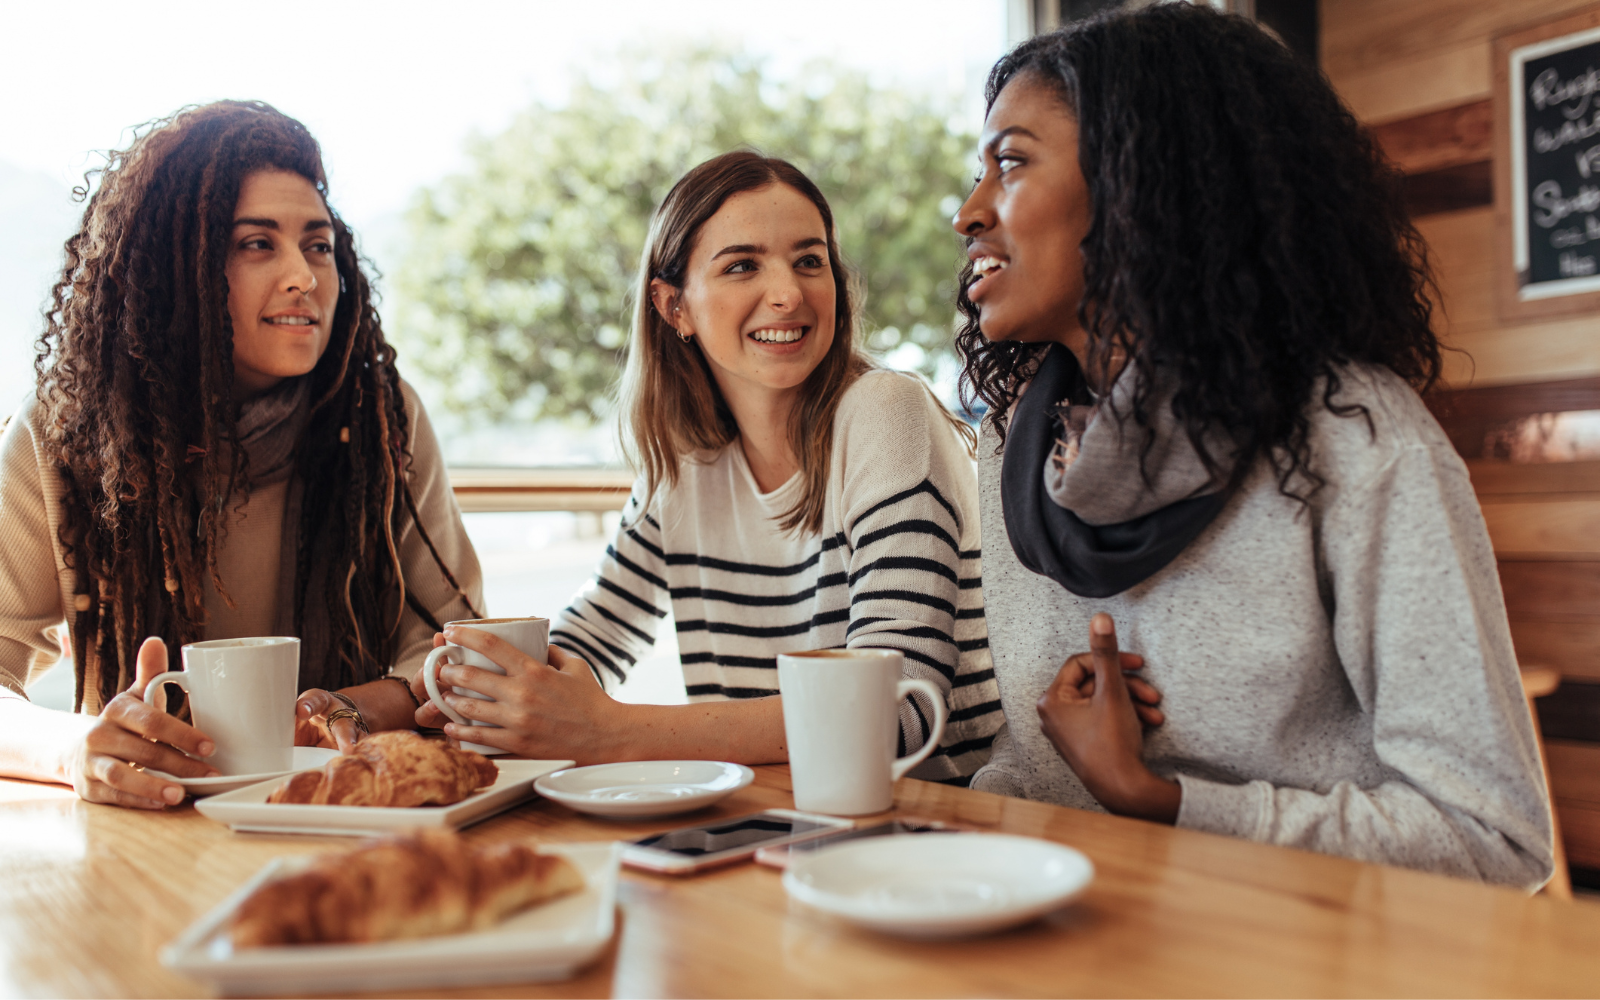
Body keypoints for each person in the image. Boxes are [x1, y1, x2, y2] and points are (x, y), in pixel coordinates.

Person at [953, 4, 1553, 888]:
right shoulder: (1016, 447)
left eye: (1010, 162)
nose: (968, 214)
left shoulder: (1354, 437)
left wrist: (1160, 798)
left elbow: (1495, 838)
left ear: (1143, 180)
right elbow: (1035, 783)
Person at [414, 151, 1004, 780]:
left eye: (810, 261)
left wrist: (611, 733)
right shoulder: (684, 464)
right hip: (775, 822)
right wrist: (500, 687)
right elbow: (589, 643)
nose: (788, 294)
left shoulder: (887, 411)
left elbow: (897, 712)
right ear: (675, 307)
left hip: (937, 827)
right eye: (743, 266)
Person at [0, 101, 483, 809]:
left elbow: (455, 650)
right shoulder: (64, 435)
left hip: (338, 815)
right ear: (171, 268)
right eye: (258, 244)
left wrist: (343, 715)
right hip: (141, 833)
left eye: (318, 245)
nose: (304, 277)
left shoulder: (382, 418)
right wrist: (74, 750)